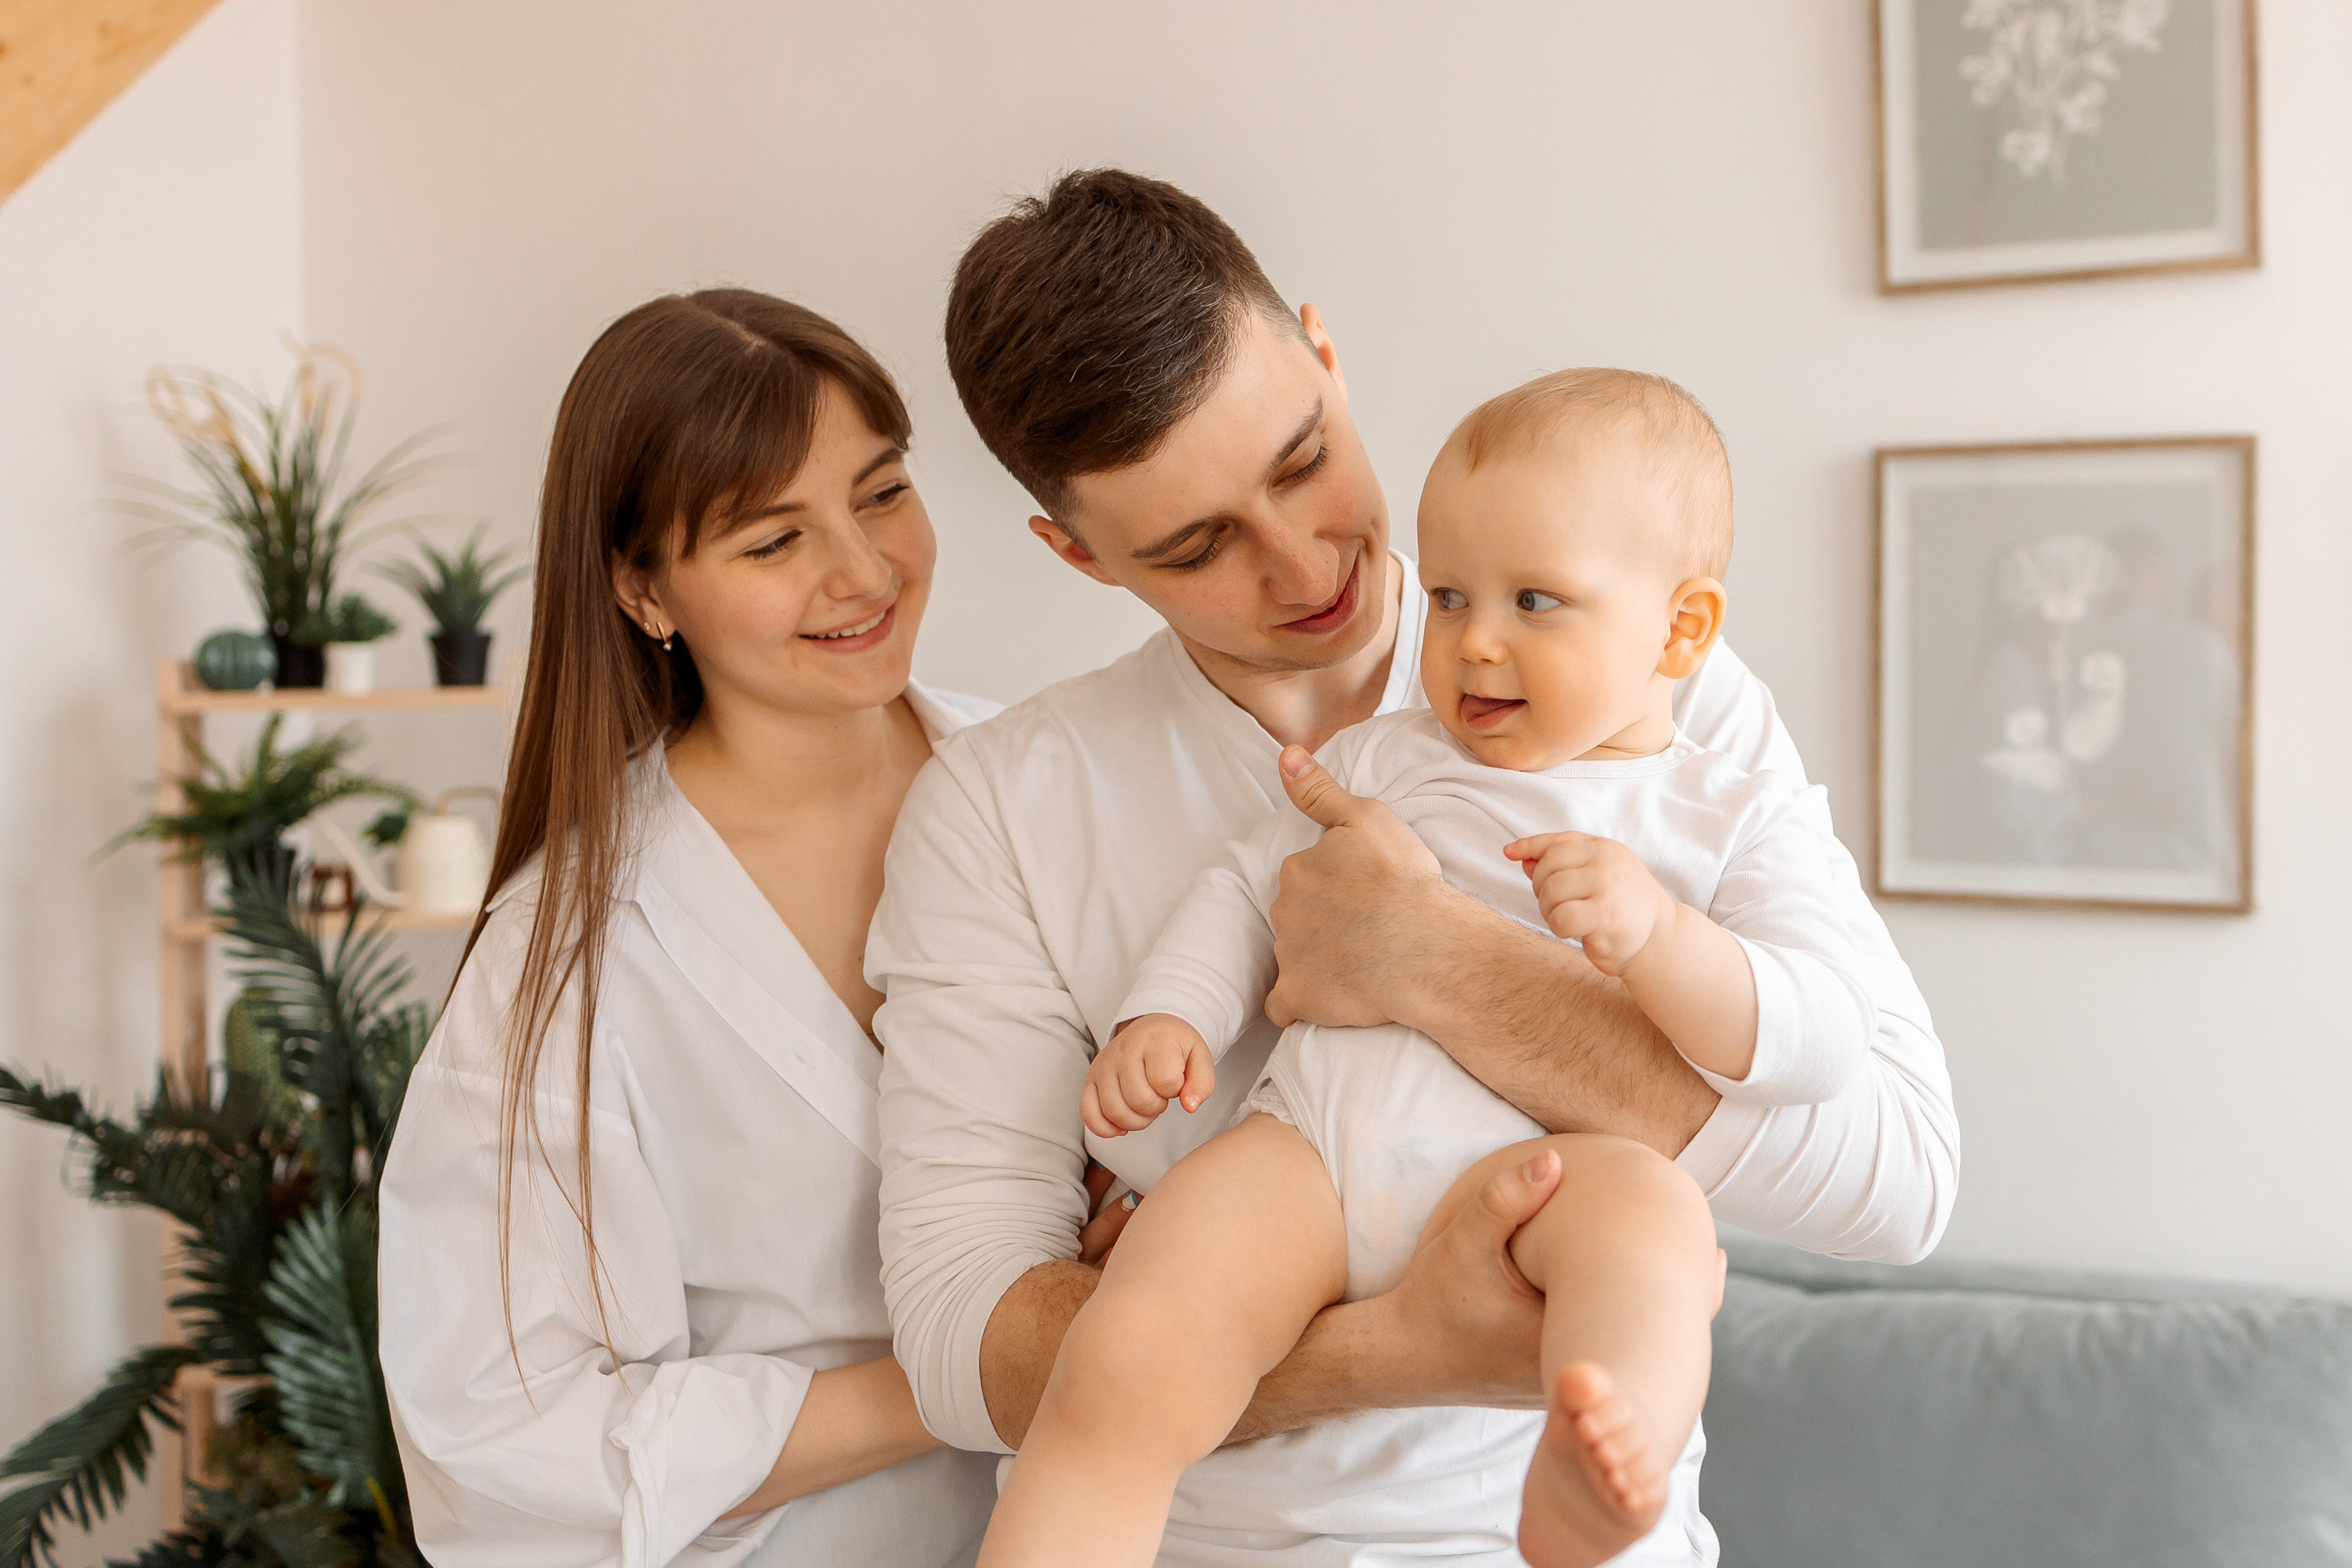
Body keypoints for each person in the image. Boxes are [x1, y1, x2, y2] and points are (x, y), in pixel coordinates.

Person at [872, 169, 1958, 1566]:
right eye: (1198, 544)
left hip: (1551, 1525)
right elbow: (966, 1343)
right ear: (1076, 555)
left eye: (1301, 458)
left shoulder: (1643, 688)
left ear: (1324, 355)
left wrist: (1430, 958)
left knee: (1643, 1239)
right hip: (1219, 1533)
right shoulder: (1003, 804)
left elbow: (1897, 1182)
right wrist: (1402, 1348)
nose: (1300, 563)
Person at [378, 289, 1009, 1567]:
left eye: (881, 492)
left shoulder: (1054, 787)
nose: (865, 570)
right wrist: (966, 1379)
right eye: (775, 542)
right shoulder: (567, 962)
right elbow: (503, 1442)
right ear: (643, 587)